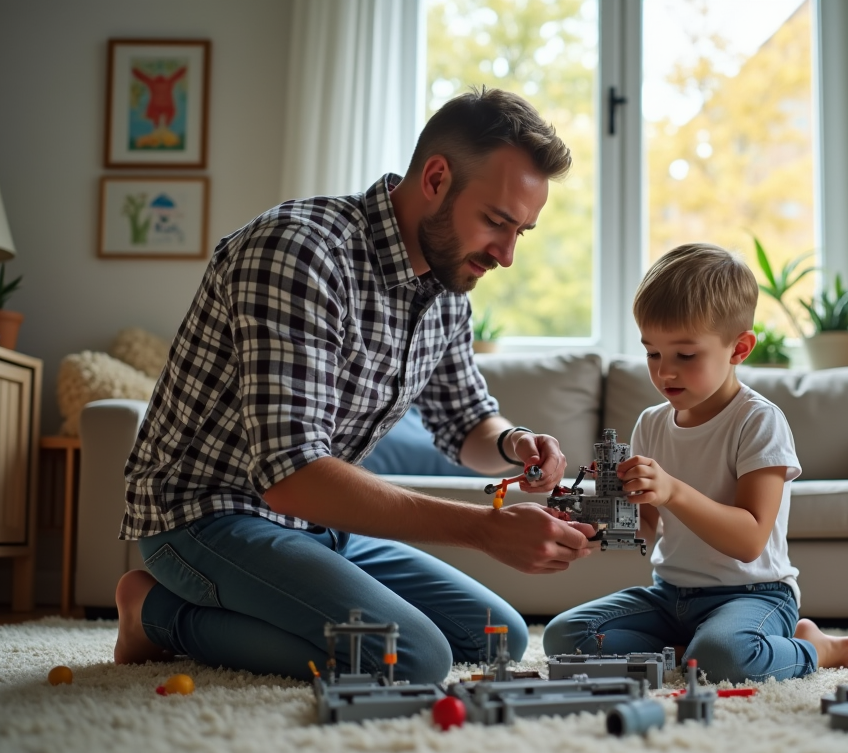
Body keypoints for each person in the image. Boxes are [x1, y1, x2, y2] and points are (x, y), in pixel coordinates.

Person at [112, 87, 597, 683]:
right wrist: (484, 530)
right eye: (497, 222)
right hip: (205, 515)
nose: (506, 254)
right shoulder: (300, 252)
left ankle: (244, 607)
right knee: (413, 658)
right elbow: (290, 476)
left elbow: (466, 422)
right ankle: (153, 614)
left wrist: (515, 443)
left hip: (316, 527)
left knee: (496, 638)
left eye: (521, 231)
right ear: (437, 179)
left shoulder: (446, 290)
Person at [542, 244, 848, 683]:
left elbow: (751, 539)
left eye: (685, 355)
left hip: (755, 594)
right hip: (670, 594)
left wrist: (674, 491)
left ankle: (813, 646)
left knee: (725, 661)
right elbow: (643, 526)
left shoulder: (758, 421)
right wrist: (587, 525)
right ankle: (693, 650)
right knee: (565, 636)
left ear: (739, 349)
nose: (665, 373)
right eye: (652, 353)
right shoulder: (651, 423)